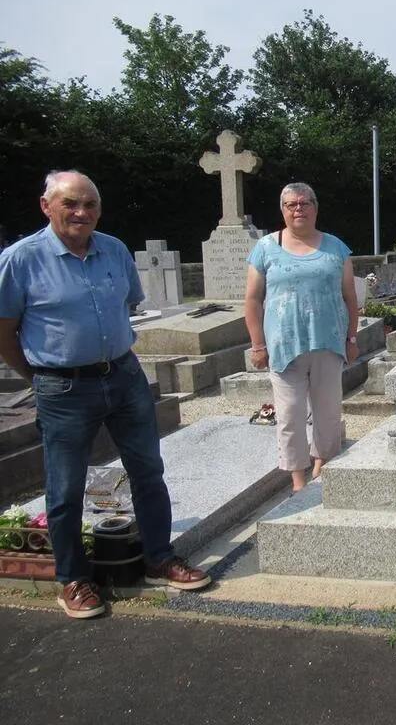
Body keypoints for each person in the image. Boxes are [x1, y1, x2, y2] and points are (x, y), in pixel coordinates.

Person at [0, 171, 211, 620]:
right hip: (63, 386)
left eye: (90, 204)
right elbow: (4, 331)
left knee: (148, 470)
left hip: (123, 375)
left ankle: (159, 557)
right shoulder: (21, 260)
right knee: (65, 487)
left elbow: (127, 304)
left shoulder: (113, 250)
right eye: (71, 204)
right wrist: (38, 375)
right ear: (46, 206)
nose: (82, 213)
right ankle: (73, 579)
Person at [244, 183, 359, 492]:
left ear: (315, 208)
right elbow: (252, 300)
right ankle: (297, 478)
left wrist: (351, 338)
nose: (298, 209)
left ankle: (322, 463)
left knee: (328, 411)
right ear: (282, 210)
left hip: (328, 342)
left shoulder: (336, 248)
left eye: (305, 203)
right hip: (284, 346)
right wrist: (257, 345)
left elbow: (350, 297)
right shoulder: (265, 248)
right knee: (289, 415)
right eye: (291, 204)